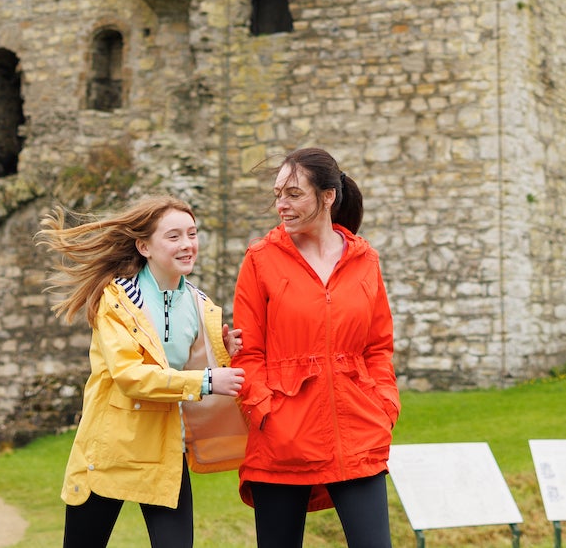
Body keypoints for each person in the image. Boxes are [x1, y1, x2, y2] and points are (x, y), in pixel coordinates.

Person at [43, 197, 245, 548]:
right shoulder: (116, 300)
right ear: (144, 246)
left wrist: (224, 352)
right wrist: (208, 381)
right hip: (110, 450)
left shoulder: (201, 305)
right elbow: (131, 376)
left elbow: (188, 370)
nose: (187, 245)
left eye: (192, 234)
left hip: (166, 447)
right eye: (174, 236)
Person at [232, 148, 396, 548]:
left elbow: (379, 347)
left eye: (293, 194)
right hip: (281, 441)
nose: (281, 205)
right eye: (277, 195)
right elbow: (247, 353)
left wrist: (385, 404)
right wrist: (264, 412)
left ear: (327, 197)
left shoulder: (365, 260)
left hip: (359, 433)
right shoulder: (260, 259)